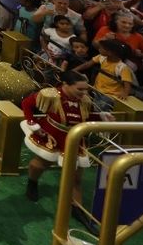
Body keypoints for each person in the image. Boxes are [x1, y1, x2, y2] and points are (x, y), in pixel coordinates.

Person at [21, 71, 100, 233]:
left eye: (86, 89)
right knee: (40, 164)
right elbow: (27, 104)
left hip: (75, 138)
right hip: (52, 136)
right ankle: (32, 183)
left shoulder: (84, 100)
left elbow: (88, 116)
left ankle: (77, 209)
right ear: (66, 85)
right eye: (80, 89)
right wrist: (33, 124)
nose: (84, 93)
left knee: (76, 177)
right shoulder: (50, 95)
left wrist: (102, 117)